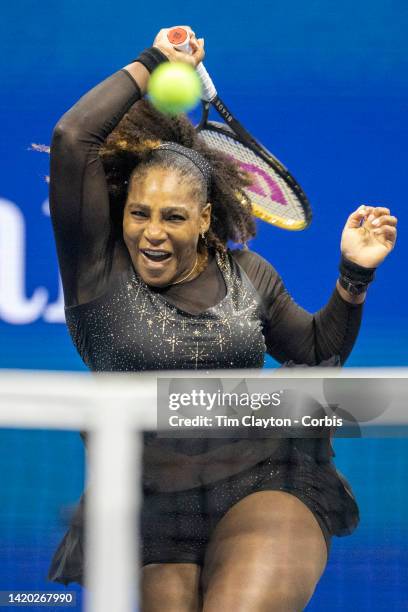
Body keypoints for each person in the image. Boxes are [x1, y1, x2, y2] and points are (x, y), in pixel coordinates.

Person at [47, 26, 397, 611]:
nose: (152, 233)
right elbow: (72, 136)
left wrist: (353, 277)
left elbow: (314, 353)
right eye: (139, 214)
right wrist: (153, 60)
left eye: (174, 217)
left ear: (206, 218)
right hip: (143, 505)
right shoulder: (95, 271)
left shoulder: (248, 274)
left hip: (264, 478)